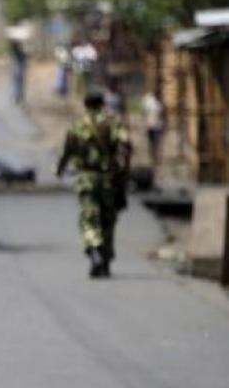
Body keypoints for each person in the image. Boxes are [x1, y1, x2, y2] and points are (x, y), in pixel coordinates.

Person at [57, 92, 132, 278]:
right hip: (108, 180)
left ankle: (94, 250)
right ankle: (105, 261)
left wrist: (60, 170)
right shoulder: (113, 123)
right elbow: (126, 145)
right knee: (108, 221)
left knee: (89, 219)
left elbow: (66, 152)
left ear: (85, 104)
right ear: (102, 104)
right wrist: (122, 170)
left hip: (86, 180)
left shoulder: (77, 126)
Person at [142, 90, 164, 167]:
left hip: (158, 126)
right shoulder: (149, 102)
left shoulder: (161, 103)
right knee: (151, 142)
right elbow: (145, 113)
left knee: (157, 142)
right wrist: (145, 124)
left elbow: (163, 115)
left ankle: (156, 157)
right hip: (150, 125)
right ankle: (152, 156)